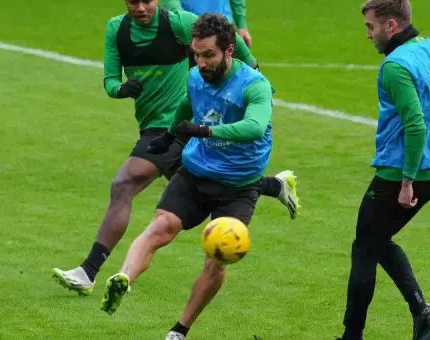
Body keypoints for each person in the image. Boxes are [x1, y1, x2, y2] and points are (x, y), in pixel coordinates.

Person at [52, 0, 299, 297]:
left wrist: (259, 74)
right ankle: (273, 185)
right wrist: (119, 89)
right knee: (208, 181)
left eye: (148, 0)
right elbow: (110, 79)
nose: (141, 7)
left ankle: (90, 271)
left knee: (125, 183)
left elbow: (226, 35)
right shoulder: (117, 29)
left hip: (178, 125)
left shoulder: (179, 23)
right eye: (133, 1)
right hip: (161, 126)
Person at [100, 13, 278, 340]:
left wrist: (205, 130)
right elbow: (186, 103)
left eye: (208, 55)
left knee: (217, 258)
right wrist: (169, 136)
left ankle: (179, 330)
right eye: (196, 54)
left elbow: (254, 128)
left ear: (229, 51)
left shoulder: (255, 86)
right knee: (160, 226)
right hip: (196, 172)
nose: (201, 62)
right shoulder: (196, 75)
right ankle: (123, 279)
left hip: (238, 187)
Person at [337, 1, 430, 339]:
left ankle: (353, 335)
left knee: (364, 247)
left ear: (391, 26)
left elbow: (416, 125)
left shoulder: (394, 65)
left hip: (400, 174)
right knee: (377, 240)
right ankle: (421, 312)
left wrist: (406, 181)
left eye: (370, 27)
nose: (368, 35)